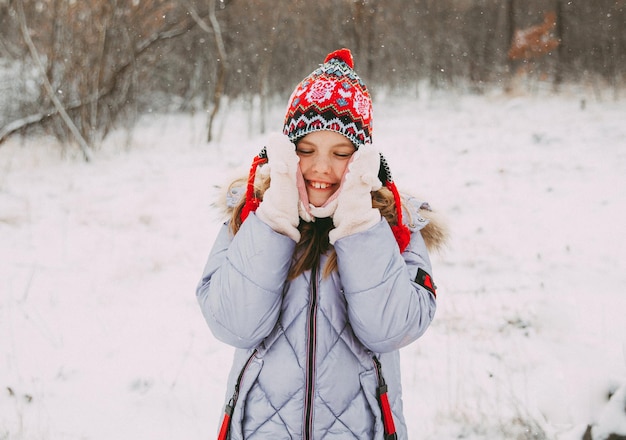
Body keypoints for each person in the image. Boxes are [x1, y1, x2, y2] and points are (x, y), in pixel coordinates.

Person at [196, 48, 446, 440]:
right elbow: (234, 324)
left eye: (341, 153)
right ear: (285, 153)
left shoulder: (396, 228)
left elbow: (389, 329)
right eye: (306, 150)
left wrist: (361, 226)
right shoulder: (250, 217)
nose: (322, 168)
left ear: (363, 158)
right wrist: (274, 221)